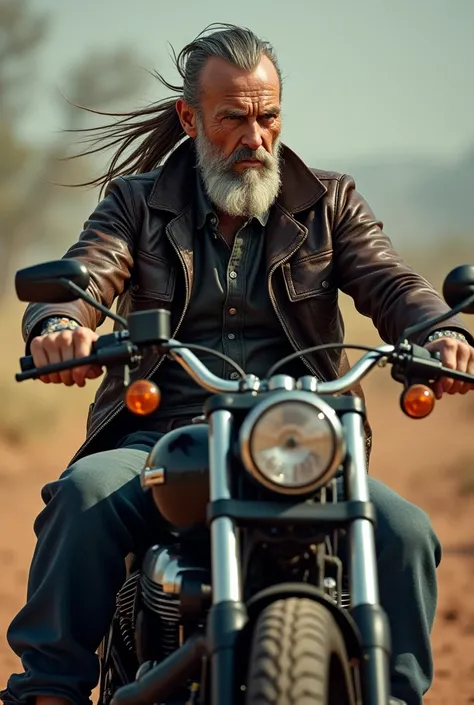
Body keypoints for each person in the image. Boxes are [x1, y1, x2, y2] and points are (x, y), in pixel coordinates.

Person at [2, 23, 474, 705]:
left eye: (269, 116)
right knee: (85, 496)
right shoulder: (137, 204)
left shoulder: (328, 203)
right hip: (163, 439)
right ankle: (48, 690)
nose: (256, 137)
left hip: (300, 440)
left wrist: (439, 334)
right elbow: (86, 274)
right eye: (234, 119)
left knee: (406, 532)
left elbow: (393, 282)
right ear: (190, 118)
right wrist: (58, 325)